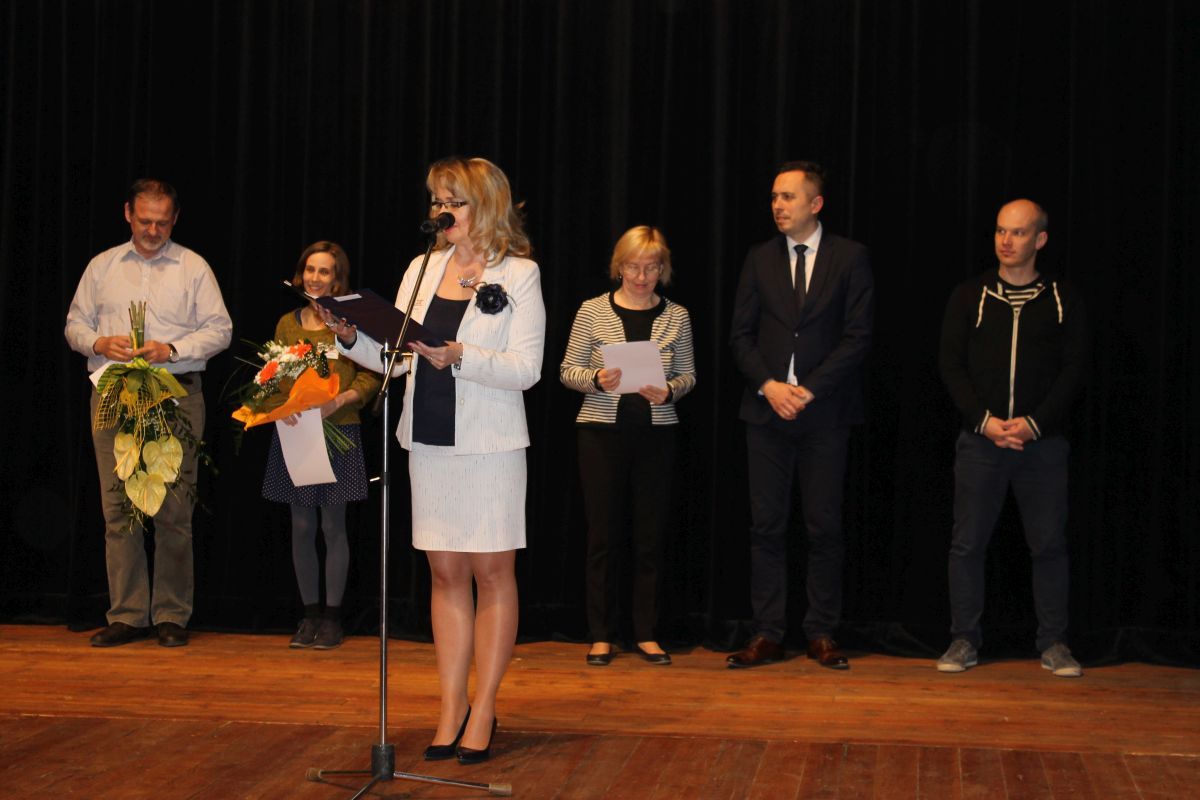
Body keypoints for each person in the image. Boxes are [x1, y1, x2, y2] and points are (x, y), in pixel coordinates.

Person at [324, 157, 544, 764]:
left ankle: (485, 707)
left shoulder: (519, 274)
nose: (441, 212)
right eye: (436, 201)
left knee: (491, 574)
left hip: (490, 444)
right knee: (445, 575)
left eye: (453, 201)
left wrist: (460, 355)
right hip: (428, 439)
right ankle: (451, 707)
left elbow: (527, 369)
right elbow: (394, 360)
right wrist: (351, 337)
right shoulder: (421, 269)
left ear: (486, 205)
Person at [65, 178, 232, 648]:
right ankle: (128, 613)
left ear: (175, 219)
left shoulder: (194, 267)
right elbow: (74, 324)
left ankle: (172, 614)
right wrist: (99, 342)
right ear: (127, 214)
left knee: (174, 509)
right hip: (114, 395)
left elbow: (220, 330)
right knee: (118, 508)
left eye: (162, 222)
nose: (153, 230)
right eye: (144, 221)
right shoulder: (102, 266)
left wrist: (171, 349)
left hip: (175, 394)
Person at [727, 160, 874, 670]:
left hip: (824, 413)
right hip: (766, 412)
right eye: (774, 196)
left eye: (787, 196)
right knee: (766, 527)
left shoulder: (850, 257)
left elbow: (858, 336)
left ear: (816, 203)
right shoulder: (759, 257)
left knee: (823, 527)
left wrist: (807, 390)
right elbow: (740, 335)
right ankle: (768, 632)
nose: (777, 205)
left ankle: (821, 631)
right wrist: (769, 386)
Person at [936, 199, 1088, 677]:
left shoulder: (1062, 298)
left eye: (1018, 233)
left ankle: (1054, 643)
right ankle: (964, 639)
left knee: (1048, 545)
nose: (1006, 240)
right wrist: (983, 421)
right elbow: (950, 365)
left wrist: (1034, 424)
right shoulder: (970, 295)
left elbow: (1074, 369)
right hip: (981, 443)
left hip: (1042, 445)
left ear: (1040, 240)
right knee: (967, 545)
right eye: (1001, 231)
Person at [559, 226, 697, 667]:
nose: (641, 277)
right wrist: (596, 379)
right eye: (634, 267)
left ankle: (646, 633)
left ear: (663, 270)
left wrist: (670, 390)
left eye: (651, 268)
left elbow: (689, 374)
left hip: (656, 436)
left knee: (649, 537)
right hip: (601, 435)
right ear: (619, 266)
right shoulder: (592, 310)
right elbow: (567, 370)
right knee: (602, 536)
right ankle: (601, 634)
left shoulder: (677, 316)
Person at [263, 242, 381, 650]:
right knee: (301, 526)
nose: (315, 278)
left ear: (337, 279)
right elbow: (273, 375)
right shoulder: (287, 323)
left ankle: (332, 618)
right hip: (296, 432)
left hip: (340, 432)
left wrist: (339, 400)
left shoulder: (350, 321)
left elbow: (371, 376)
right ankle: (309, 615)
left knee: (333, 526)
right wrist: (283, 404)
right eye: (310, 270)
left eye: (325, 271)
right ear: (301, 274)